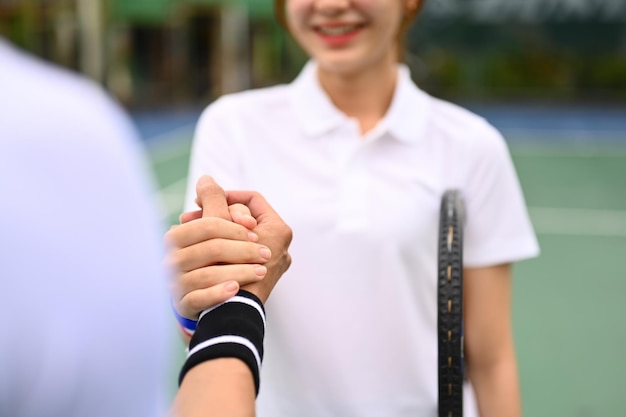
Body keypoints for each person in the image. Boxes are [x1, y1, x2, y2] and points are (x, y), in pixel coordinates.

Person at [172, 0, 541, 416]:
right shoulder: (231, 126)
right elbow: (208, 320)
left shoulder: (473, 146)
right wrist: (191, 300)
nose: (330, 5)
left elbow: (491, 361)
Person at [0, 37, 291, 417]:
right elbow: (197, 305)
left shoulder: (55, 127)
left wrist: (217, 304)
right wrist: (224, 304)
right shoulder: (56, 128)